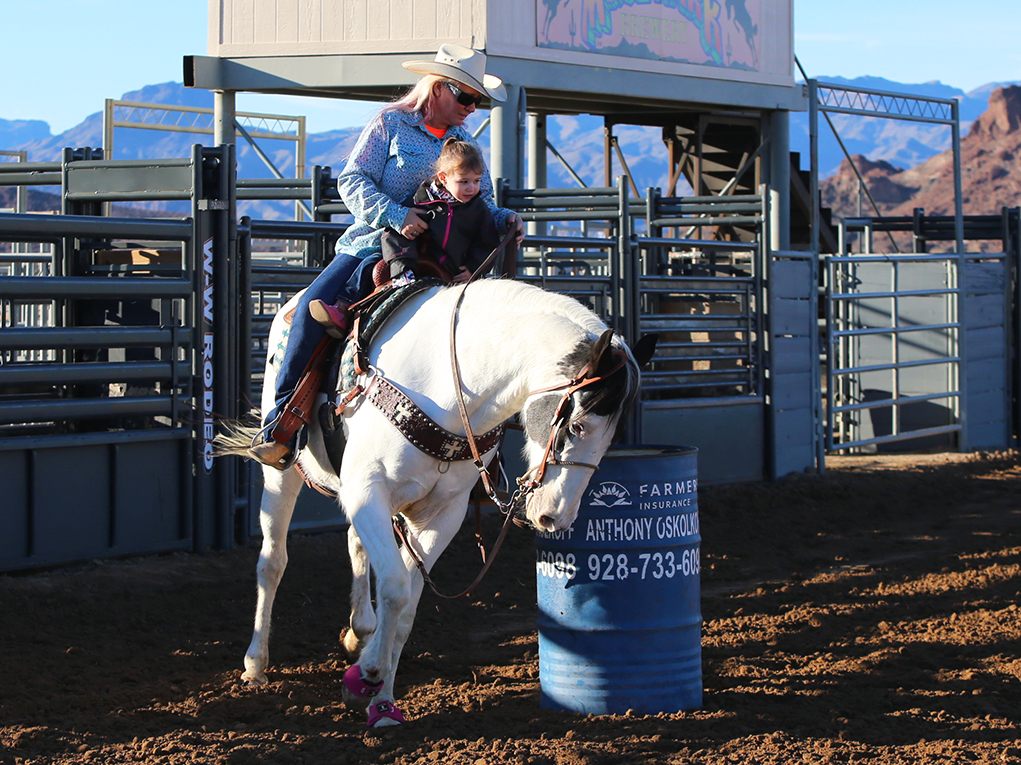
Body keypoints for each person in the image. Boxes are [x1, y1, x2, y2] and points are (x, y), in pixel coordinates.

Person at [249, 44, 526, 469]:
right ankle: (280, 424)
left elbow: (482, 200)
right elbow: (352, 178)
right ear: (438, 89)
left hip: (443, 257)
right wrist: (396, 215)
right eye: (466, 97)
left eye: (478, 100)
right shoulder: (390, 125)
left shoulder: (465, 142)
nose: (473, 107)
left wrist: (507, 218)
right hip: (371, 244)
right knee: (308, 309)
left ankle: (483, 454)